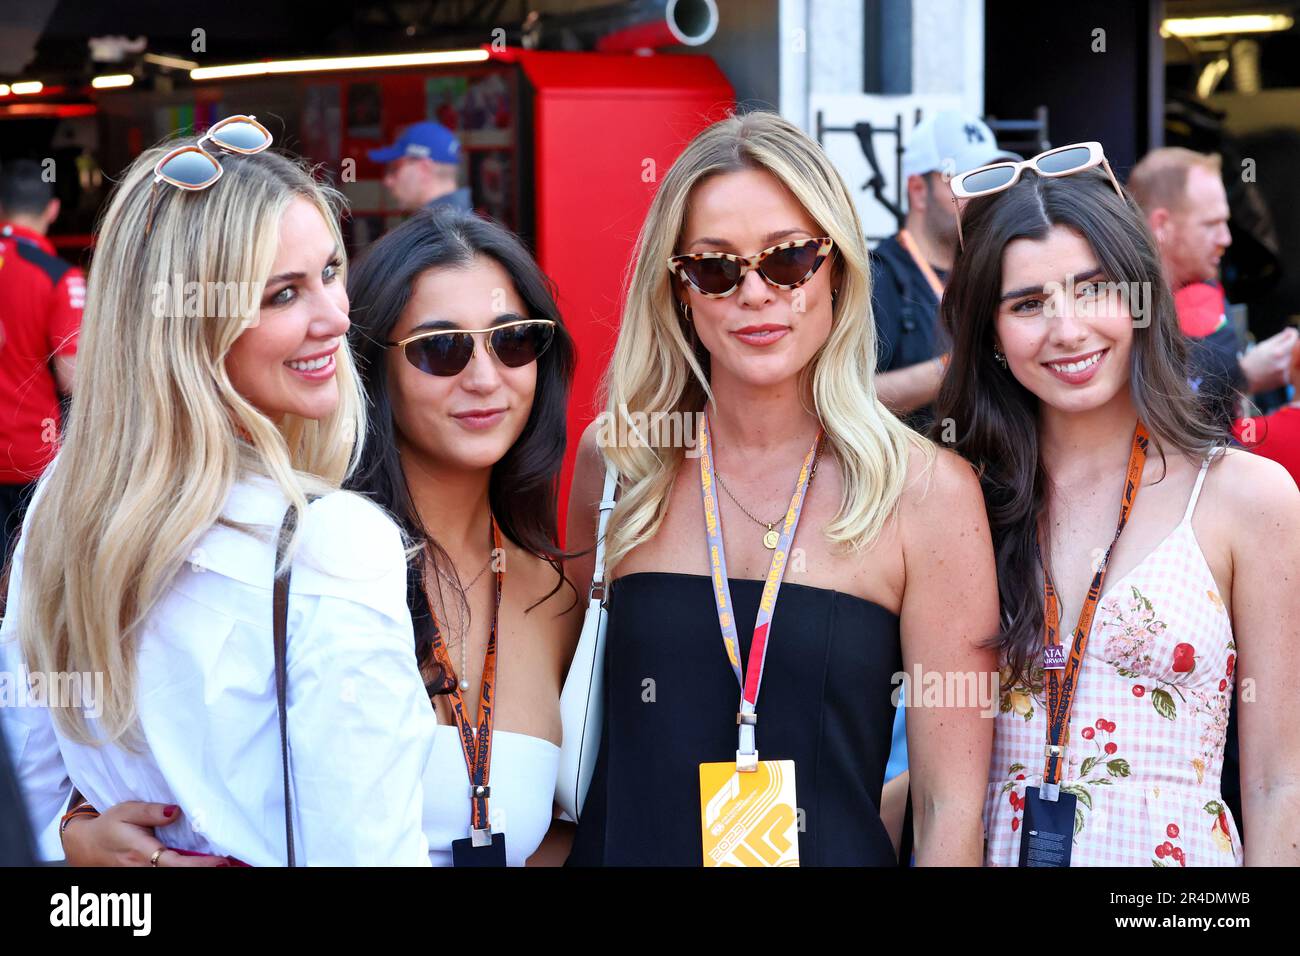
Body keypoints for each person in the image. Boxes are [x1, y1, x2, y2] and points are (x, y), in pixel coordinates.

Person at [60, 209, 583, 868]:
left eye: (512, 340)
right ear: (369, 365)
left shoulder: (557, 601)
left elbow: (570, 830)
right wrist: (74, 828)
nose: (484, 377)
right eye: (441, 349)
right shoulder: (296, 558)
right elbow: (136, 750)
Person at [564, 111, 998, 866]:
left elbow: (948, 806)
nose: (755, 292)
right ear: (679, 290)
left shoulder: (927, 494)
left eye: (789, 259)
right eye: (715, 266)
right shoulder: (619, 464)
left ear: (836, 268)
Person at [1, 120, 435, 866]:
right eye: (282, 294)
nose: (336, 317)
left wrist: (73, 848)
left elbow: (22, 804)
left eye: (331, 271)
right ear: (188, 327)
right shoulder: (333, 543)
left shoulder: (66, 506)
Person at [934, 142, 1300, 865]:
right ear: (994, 335)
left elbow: (1277, 782)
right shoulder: (957, 500)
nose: (1067, 329)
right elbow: (941, 780)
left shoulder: (1245, 498)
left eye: (1094, 288)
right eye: (1029, 303)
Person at [1128, 147, 1297, 432]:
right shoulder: (1126, 304)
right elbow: (1151, 417)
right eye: (1211, 224)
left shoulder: (1204, 284)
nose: (1226, 238)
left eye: (1225, 222)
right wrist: (1245, 376)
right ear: (1161, 225)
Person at [872, 111, 1016, 426]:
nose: (984, 194)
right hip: (913, 471)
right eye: (965, 181)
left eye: (988, 179)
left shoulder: (996, 267)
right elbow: (846, 396)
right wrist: (956, 365)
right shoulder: (877, 277)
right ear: (918, 190)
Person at [0, 159, 85, 563]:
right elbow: (72, 377)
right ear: (52, 210)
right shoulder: (58, 277)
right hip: (29, 454)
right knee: (26, 578)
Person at [369, 121, 472, 214]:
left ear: (424, 170)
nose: (387, 181)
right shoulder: (465, 227)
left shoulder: (433, 231)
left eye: (395, 169)